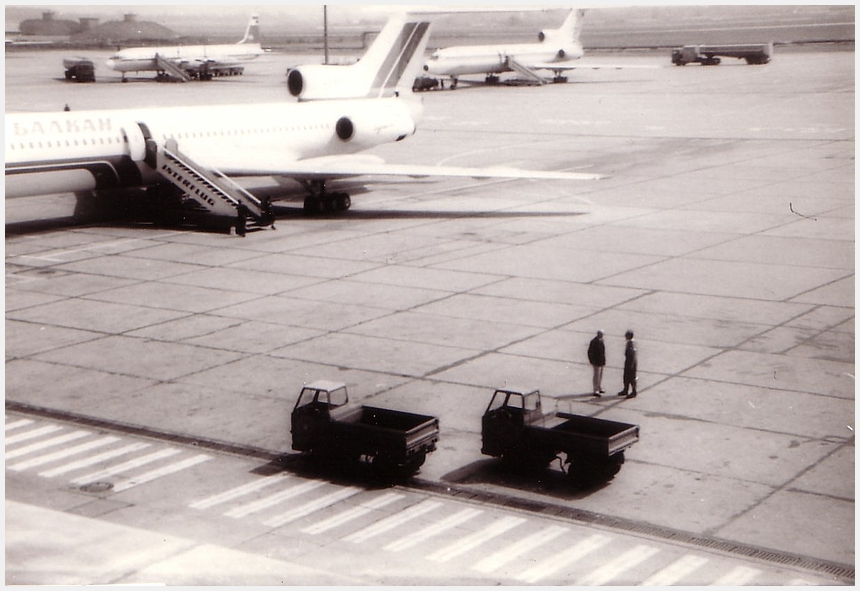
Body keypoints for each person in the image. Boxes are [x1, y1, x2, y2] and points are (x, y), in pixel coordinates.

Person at [618, 330, 637, 398]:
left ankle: (633, 391)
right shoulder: (631, 342)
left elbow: (632, 354)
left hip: (630, 362)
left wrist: (631, 364)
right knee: (626, 377)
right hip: (630, 361)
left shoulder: (631, 343)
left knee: (631, 377)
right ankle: (625, 389)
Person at [587, 330, 606, 396]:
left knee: (600, 375)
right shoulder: (593, 342)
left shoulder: (601, 340)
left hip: (601, 361)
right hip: (596, 361)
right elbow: (590, 352)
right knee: (596, 376)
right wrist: (592, 361)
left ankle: (599, 387)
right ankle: (595, 390)